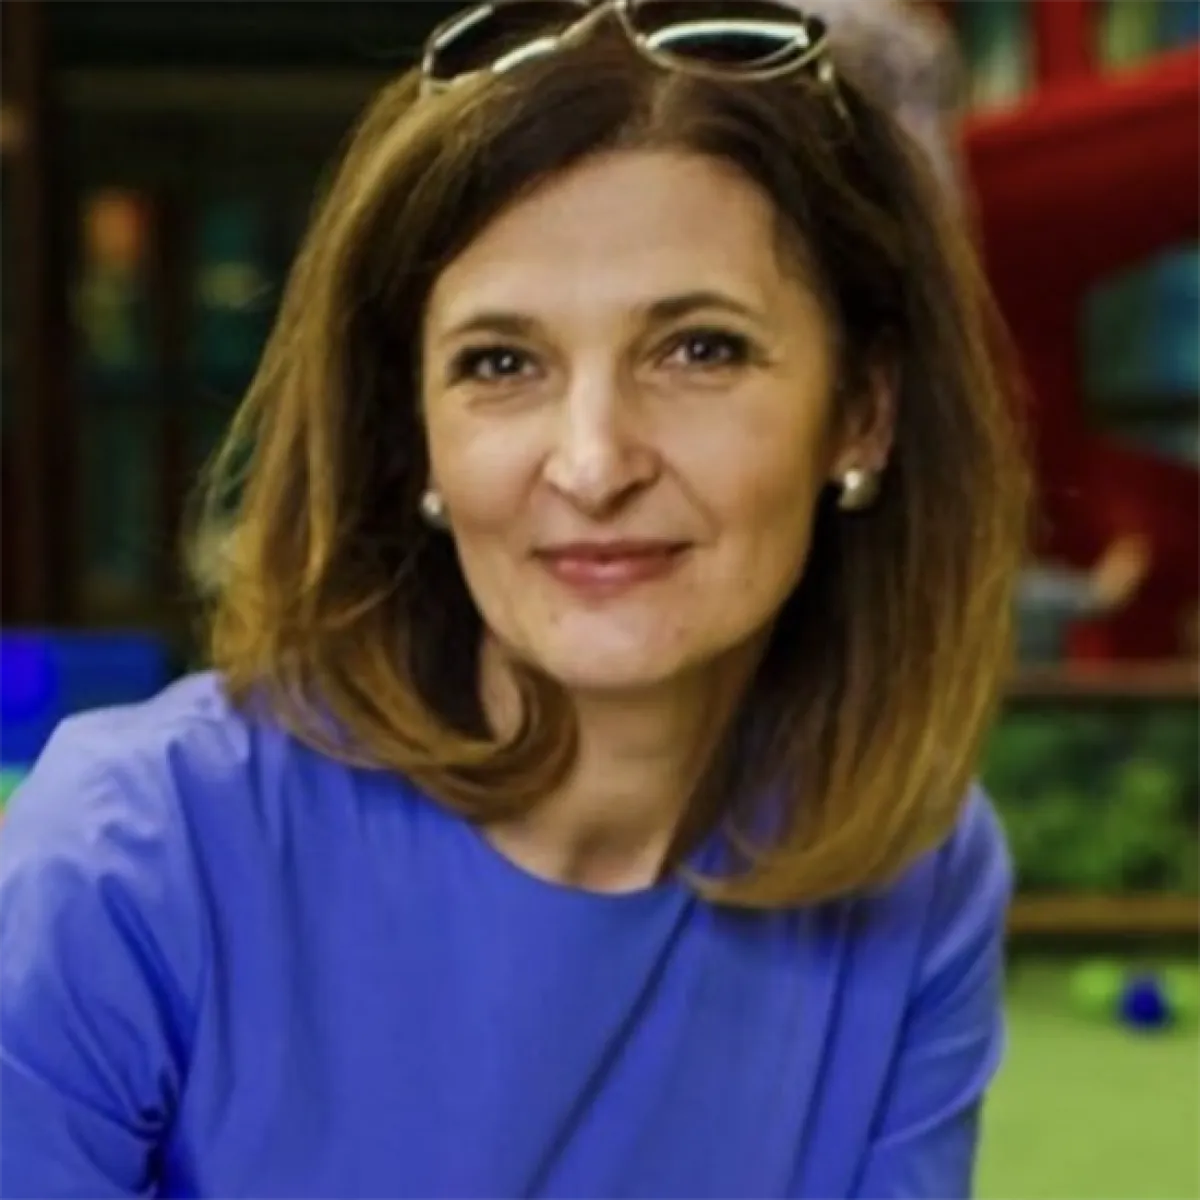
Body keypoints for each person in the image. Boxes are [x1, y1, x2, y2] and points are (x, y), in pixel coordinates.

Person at [0, 2, 1029, 1196]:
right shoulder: (134, 859)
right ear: (415, 437)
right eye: (501, 363)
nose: (593, 464)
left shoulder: (915, 870)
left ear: (863, 412)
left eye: (699, 349)